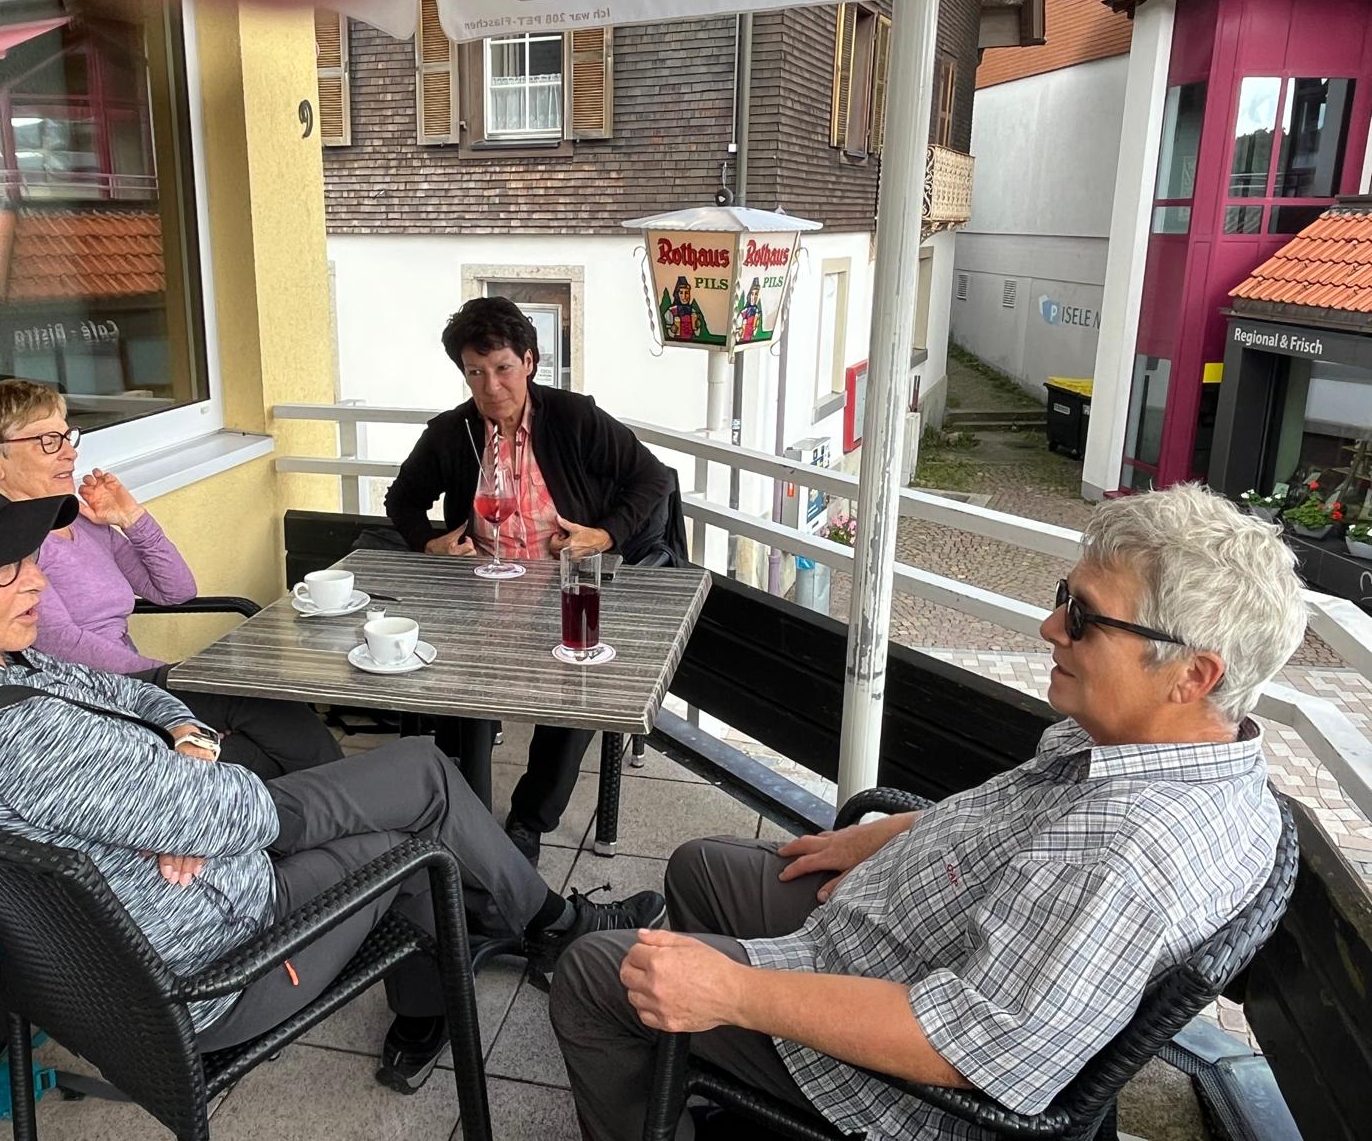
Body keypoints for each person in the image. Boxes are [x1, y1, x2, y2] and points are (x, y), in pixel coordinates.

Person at [0, 463, 666, 1094]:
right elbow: (230, 815)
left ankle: (498, 955)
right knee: (423, 809)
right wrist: (191, 811)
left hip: (157, 927)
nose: (34, 576)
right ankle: (540, 936)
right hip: (219, 967)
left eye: (24, 554)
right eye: (0, 567)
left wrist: (185, 745)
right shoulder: (14, 735)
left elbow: (131, 693)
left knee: (416, 785)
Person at [550, 484, 1307, 1140]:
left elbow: (975, 1047)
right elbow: (1017, 828)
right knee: (700, 868)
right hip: (898, 932)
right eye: (1063, 597)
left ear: (1192, 675)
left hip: (902, 1078)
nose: (1051, 627)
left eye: (1083, 617)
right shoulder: (1174, 751)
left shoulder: (1130, 853)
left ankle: (698, 1078)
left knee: (592, 975)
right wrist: (893, 832)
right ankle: (706, 1079)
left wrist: (735, 993)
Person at [385, 297, 678, 864]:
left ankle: (529, 820)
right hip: (479, 591)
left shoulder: (573, 418)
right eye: (475, 372)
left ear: (529, 362)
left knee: (576, 693)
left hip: (562, 587)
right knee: (456, 685)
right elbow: (402, 499)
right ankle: (466, 815)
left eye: (502, 368)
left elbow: (651, 477)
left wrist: (605, 534)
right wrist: (428, 542)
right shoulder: (451, 433)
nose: (491, 386)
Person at [0, 379, 339, 777]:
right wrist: (169, 685)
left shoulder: (80, 523)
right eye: (47, 441)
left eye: (67, 436)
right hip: (91, 697)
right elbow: (62, 643)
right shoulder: (7, 546)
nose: (69, 452)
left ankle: (333, 799)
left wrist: (131, 518)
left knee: (262, 740)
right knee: (256, 709)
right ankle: (344, 797)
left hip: (137, 683)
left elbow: (175, 591)